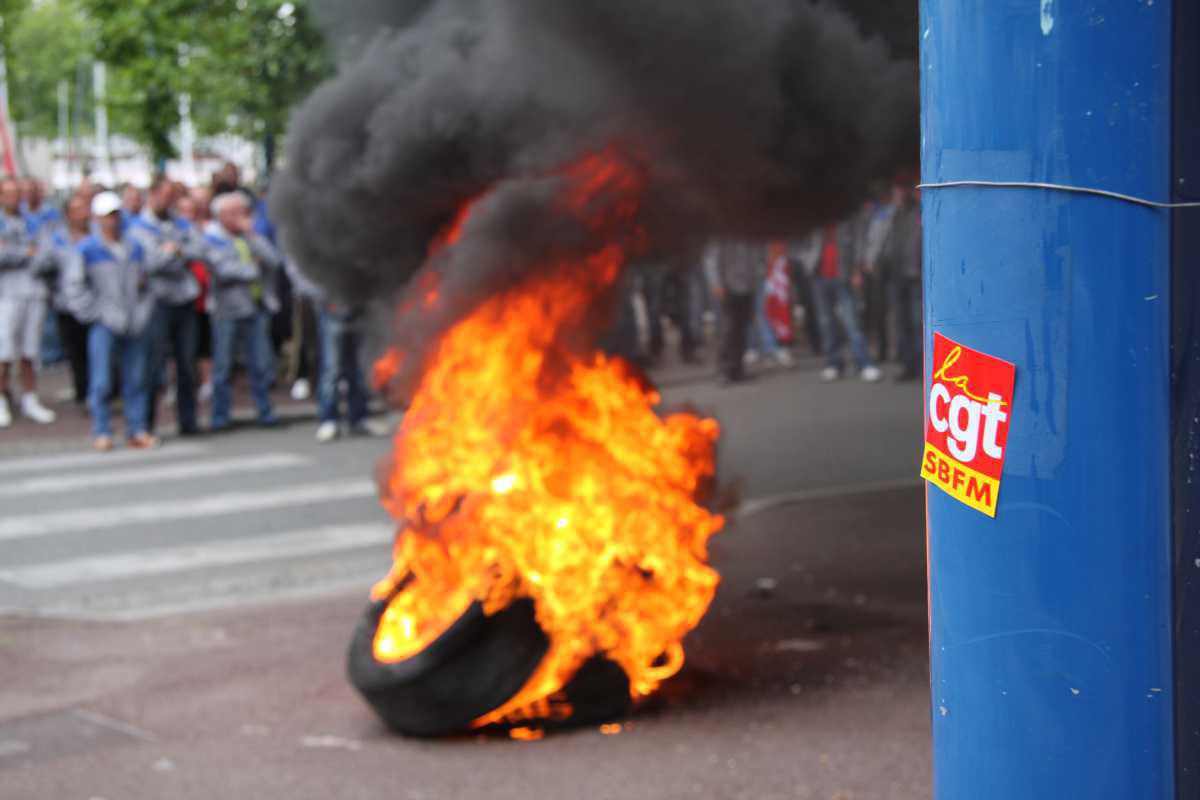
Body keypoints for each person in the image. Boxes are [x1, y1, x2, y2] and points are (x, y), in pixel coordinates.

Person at [62, 191, 158, 451]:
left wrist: (143, 312)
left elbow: (149, 282)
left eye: (115, 215)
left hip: (135, 322)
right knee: (102, 380)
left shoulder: (135, 247)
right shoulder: (87, 249)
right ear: (97, 218)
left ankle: (137, 429)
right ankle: (101, 431)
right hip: (105, 324)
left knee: (136, 378)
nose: (112, 221)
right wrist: (96, 314)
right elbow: (74, 288)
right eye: (106, 216)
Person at [129, 175, 205, 436]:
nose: (169, 200)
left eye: (172, 195)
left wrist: (176, 252)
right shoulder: (138, 226)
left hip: (184, 300)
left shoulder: (181, 223)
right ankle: (146, 424)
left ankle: (188, 421)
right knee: (153, 366)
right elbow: (150, 264)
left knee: (186, 364)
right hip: (157, 303)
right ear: (152, 194)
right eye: (164, 194)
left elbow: (198, 250)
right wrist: (173, 253)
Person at [204, 191, 282, 430]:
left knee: (260, 363)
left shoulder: (250, 237)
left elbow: (274, 260)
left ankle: (264, 411)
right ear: (223, 215)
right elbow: (224, 270)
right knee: (223, 366)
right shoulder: (212, 238)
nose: (242, 217)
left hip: (256, 308)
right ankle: (220, 415)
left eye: (244, 212)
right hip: (227, 311)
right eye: (236, 212)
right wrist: (252, 269)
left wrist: (252, 236)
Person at [287, 262, 375, 442]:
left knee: (358, 369)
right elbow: (299, 276)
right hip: (331, 312)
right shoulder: (314, 244)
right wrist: (325, 298)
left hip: (356, 310)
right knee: (332, 369)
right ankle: (328, 420)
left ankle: (358, 418)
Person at [0, 176, 55, 427]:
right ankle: (2, 399)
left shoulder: (33, 222)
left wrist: (20, 255)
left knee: (29, 349)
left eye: (16, 193)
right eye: (8, 193)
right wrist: (24, 253)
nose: (14, 198)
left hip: (33, 293)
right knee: (4, 350)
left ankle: (29, 398)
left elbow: (47, 253)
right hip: (7, 294)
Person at [801, 218, 883, 383]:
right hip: (819, 276)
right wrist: (807, 262)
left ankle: (864, 363)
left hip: (842, 274)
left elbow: (858, 242)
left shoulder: (846, 217)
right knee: (826, 323)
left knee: (852, 321)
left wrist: (857, 269)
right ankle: (833, 363)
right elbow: (802, 242)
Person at [36, 194, 93, 406]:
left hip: (95, 304)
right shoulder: (56, 238)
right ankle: (83, 393)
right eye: (76, 209)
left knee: (95, 351)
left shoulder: (96, 234)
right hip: (66, 304)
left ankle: (99, 392)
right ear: (68, 214)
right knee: (75, 351)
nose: (81, 214)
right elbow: (40, 266)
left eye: (84, 208)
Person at [879, 180, 923, 381]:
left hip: (914, 273)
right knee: (901, 321)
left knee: (916, 321)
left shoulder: (919, 211)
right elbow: (886, 240)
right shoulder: (894, 214)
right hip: (896, 274)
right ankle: (908, 365)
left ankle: (922, 365)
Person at [704, 240, 759, 384]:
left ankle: (737, 369)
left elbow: (754, 258)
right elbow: (711, 260)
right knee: (727, 330)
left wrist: (755, 280)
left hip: (746, 287)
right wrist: (716, 284)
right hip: (727, 287)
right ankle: (724, 371)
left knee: (741, 329)